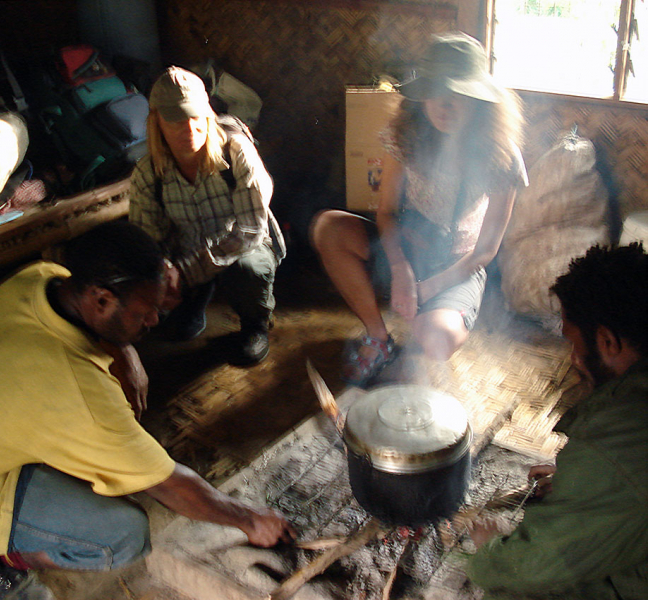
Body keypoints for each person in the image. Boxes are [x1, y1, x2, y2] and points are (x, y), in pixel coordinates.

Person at [0, 220, 295, 600]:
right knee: (123, 533)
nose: (155, 320)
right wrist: (248, 519)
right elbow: (164, 483)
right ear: (102, 299)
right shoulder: (73, 390)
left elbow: (96, 321)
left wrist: (127, 352)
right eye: (145, 312)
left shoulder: (41, 279)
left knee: (101, 450)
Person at [311, 32, 527, 388]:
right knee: (328, 227)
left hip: (458, 263)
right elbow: (386, 214)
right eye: (435, 93)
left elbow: (485, 250)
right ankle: (379, 338)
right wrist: (400, 270)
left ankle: (419, 341)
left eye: (458, 95)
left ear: (480, 101)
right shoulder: (405, 137)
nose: (444, 105)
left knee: (437, 337)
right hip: (407, 244)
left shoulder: (502, 158)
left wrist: (427, 290)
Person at [466, 242, 648, 600]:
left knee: (507, 592)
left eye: (572, 341)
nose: (573, 358)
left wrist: (489, 549)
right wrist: (584, 481)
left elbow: (529, 567)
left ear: (607, 341)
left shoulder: (618, 439)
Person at [128, 66, 285, 366]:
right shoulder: (147, 173)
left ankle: (255, 325)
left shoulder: (236, 151)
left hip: (240, 247)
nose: (189, 128)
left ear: (209, 114)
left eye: (195, 117)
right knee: (174, 330)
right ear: (157, 122)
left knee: (248, 268)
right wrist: (163, 275)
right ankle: (197, 296)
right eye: (175, 119)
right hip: (187, 253)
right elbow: (147, 239)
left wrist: (187, 273)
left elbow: (250, 229)